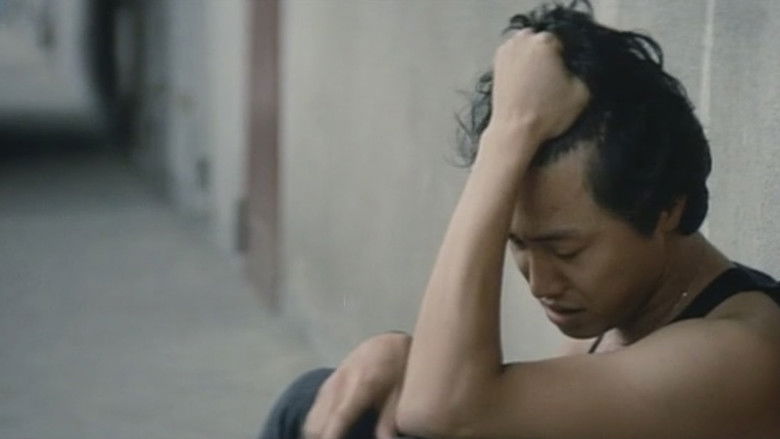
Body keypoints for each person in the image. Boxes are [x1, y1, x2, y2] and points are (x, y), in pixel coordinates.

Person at [261, 1, 780, 438]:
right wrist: (401, 354)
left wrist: (509, 133)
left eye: (566, 250)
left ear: (667, 207)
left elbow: (446, 410)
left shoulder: (740, 354)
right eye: (518, 244)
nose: (541, 282)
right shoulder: (619, 310)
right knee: (329, 400)